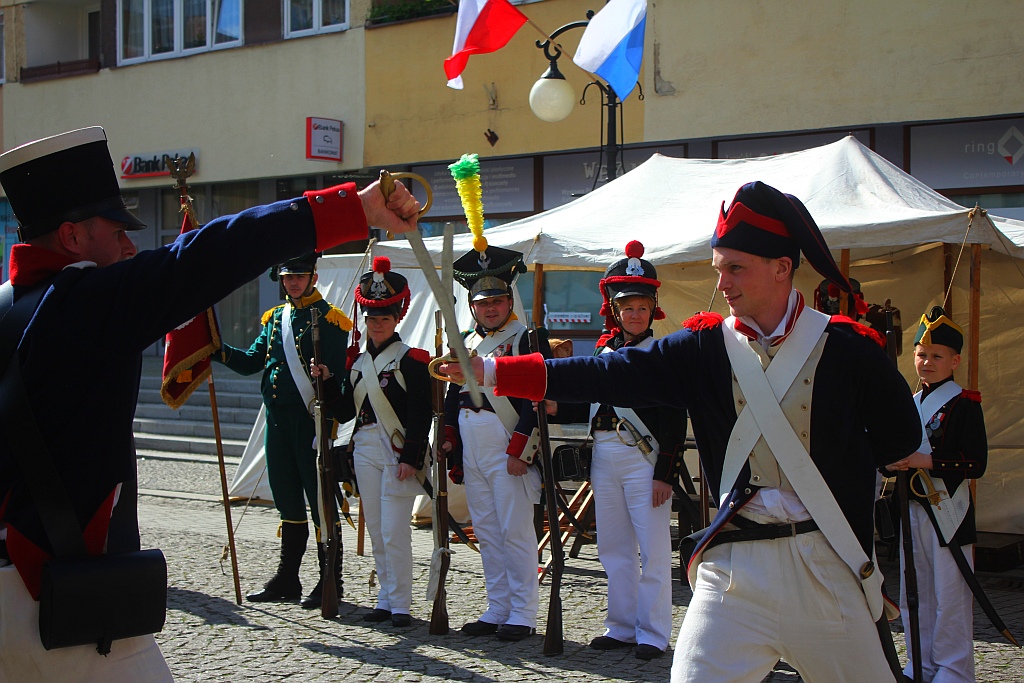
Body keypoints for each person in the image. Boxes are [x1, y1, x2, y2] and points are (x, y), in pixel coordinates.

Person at [444, 181, 922, 682]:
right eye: (719, 269)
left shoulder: (850, 349)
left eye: (736, 268)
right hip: (734, 566)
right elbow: (606, 373)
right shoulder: (703, 348)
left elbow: (900, 442)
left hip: (826, 563)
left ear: (782, 267)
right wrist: (491, 371)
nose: (724, 283)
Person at [0, 126, 418, 682]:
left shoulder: (11, 308)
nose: (129, 248)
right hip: (58, 595)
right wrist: (352, 209)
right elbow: (210, 254)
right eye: (116, 231)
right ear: (72, 237)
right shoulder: (83, 303)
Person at [553, 240, 686, 660]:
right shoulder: (602, 351)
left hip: (643, 458)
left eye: (643, 307)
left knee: (653, 550)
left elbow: (674, 417)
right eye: (628, 307)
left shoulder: (662, 354)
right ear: (615, 310)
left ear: (652, 310)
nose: (635, 314)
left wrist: (665, 473)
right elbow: (592, 404)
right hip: (605, 454)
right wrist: (556, 406)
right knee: (613, 547)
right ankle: (622, 626)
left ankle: (653, 633)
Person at [215, 251, 351, 608]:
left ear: (313, 277)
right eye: (288, 276)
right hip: (276, 423)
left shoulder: (331, 319)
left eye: (299, 276)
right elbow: (251, 362)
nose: (293, 282)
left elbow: (337, 380)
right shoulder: (276, 318)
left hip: (310, 423)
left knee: (320, 504)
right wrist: (215, 350)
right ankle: (287, 578)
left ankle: (330, 579)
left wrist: (327, 400)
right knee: (286, 499)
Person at [311, 256, 432, 628]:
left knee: (395, 531)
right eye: (372, 318)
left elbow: (421, 414)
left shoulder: (413, 361)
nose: (377, 324)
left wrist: (410, 457)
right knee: (377, 530)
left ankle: (402, 605)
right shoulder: (358, 364)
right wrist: (327, 381)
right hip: (364, 447)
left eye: (384, 318)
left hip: (397, 451)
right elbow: (346, 411)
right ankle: (385, 599)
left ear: (397, 319)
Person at [442, 245, 550, 642]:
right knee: (486, 530)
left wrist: (522, 450)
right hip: (473, 447)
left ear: (509, 301)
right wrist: (449, 438)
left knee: (515, 532)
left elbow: (537, 399)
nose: (490, 309)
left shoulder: (526, 339)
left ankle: (522, 612)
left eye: (497, 301)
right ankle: (498, 606)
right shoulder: (465, 343)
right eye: (482, 303)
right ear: (472, 306)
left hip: (507, 445)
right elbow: (453, 395)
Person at [885, 306, 986, 683]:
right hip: (912, 509)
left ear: (954, 361)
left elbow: (975, 463)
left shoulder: (965, 404)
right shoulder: (910, 403)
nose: (926, 362)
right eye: (921, 354)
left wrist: (924, 460)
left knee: (950, 595)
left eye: (936, 356)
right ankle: (921, 663)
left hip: (949, 512)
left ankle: (953, 669)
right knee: (917, 591)